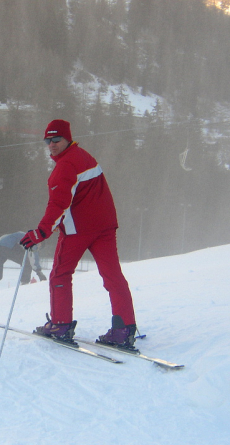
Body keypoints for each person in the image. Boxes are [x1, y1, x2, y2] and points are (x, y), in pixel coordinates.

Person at [19, 119, 137, 350]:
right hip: (105, 227)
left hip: (79, 230)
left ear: (67, 138)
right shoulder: (85, 157)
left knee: (60, 275)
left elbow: (59, 205)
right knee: (113, 276)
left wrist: (39, 233)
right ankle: (124, 330)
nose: (51, 144)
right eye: (48, 140)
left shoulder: (65, 166)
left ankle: (60, 325)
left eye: (56, 139)